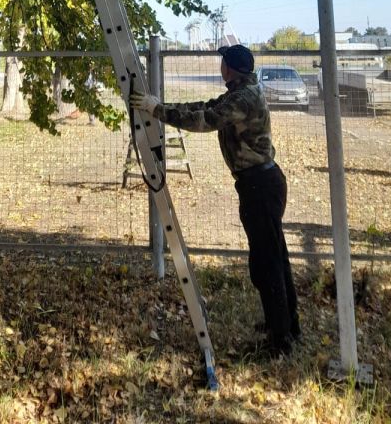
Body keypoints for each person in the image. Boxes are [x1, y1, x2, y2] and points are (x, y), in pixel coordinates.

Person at [129, 43, 300, 357]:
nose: (221, 66)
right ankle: (286, 326)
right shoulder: (241, 92)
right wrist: (161, 106)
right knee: (273, 256)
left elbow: (204, 120)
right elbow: (203, 105)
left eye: (223, 62)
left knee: (266, 263)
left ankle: (281, 341)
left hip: (260, 186)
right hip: (260, 183)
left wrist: (157, 110)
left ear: (230, 68)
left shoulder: (244, 98)